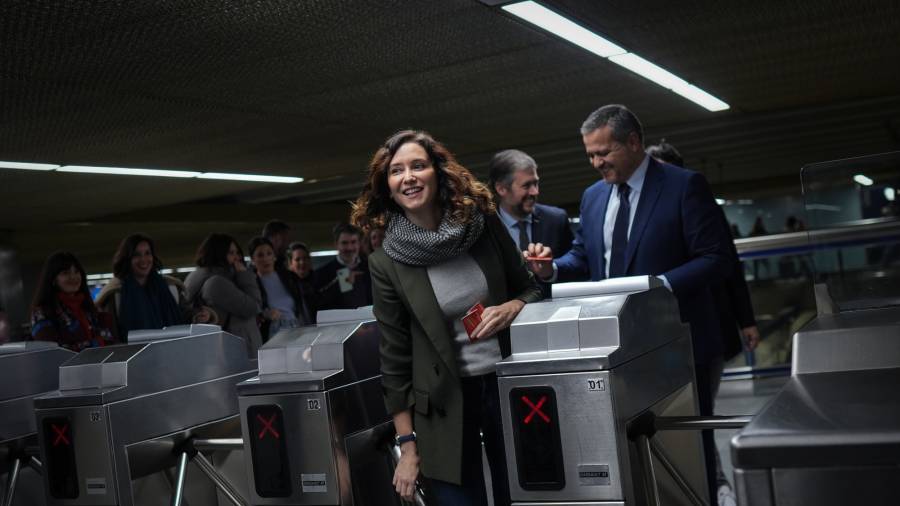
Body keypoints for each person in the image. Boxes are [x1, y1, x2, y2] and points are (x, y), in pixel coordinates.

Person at [527, 105, 733, 505]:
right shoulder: (592, 198)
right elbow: (585, 259)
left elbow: (716, 258)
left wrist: (658, 287)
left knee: (689, 448)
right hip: (619, 349)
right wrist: (551, 268)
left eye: (603, 152)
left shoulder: (684, 186)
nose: (595, 162)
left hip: (678, 340)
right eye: (589, 154)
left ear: (634, 142)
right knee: (629, 447)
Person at [351, 130, 542, 506]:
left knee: (526, 492)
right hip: (442, 403)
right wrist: (407, 446)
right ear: (387, 187)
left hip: (509, 386)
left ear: (438, 173)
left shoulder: (483, 224)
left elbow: (530, 287)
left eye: (418, 166)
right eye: (396, 171)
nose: (408, 177)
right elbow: (394, 358)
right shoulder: (386, 263)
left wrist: (512, 306)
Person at [647, 141, 759, 506]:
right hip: (659, 336)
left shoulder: (698, 208)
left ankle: (715, 485)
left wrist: (747, 321)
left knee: (699, 416)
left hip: (705, 330)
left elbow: (730, 270)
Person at [488, 148, 574, 298]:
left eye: (536, 184)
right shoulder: (486, 227)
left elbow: (576, 271)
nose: (535, 192)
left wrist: (549, 271)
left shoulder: (556, 220)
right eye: (526, 186)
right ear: (501, 188)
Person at [96, 233, 210, 341]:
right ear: (127, 259)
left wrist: (199, 316)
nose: (143, 259)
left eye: (147, 253)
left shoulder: (170, 287)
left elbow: (186, 316)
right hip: (133, 358)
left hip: (173, 354)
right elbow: (112, 333)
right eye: (136, 255)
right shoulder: (115, 293)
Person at [183, 233, 262, 354]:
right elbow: (254, 307)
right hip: (237, 351)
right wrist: (245, 275)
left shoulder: (198, 276)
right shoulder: (217, 283)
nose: (237, 258)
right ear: (218, 254)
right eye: (231, 253)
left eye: (237, 252)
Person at [30, 251, 116, 351]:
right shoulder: (42, 311)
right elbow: (50, 351)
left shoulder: (88, 307)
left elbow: (108, 340)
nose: (73, 277)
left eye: (76, 271)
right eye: (65, 273)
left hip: (99, 364)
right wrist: (95, 343)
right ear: (53, 279)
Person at [248, 236, 312, 340]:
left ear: (274, 256)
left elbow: (303, 305)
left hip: (297, 329)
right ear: (253, 260)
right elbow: (251, 310)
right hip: (271, 334)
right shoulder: (252, 283)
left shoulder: (290, 277)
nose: (265, 259)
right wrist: (264, 314)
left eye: (269, 253)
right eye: (260, 255)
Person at [314, 223, 373, 310]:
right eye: (344, 243)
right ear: (336, 244)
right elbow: (318, 305)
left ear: (359, 243)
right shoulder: (322, 273)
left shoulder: (371, 267)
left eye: (353, 242)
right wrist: (341, 283)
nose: (349, 248)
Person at [288, 241, 317, 322]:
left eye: (305, 258)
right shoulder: (286, 286)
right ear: (290, 263)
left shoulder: (320, 280)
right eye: (297, 259)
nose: (302, 262)